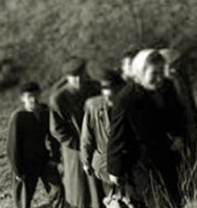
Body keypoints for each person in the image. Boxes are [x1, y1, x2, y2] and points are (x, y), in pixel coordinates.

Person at [107, 50, 187, 208]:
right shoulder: (126, 99)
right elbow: (117, 136)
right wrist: (114, 170)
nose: (159, 78)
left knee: (175, 200)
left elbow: (178, 114)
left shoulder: (166, 88)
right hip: (142, 165)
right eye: (154, 73)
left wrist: (178, 135)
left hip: (167, 156)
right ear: (140, 72)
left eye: (161, 72)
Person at [49, 57, 101, 208]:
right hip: (75, 151)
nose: (78, 80)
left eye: (81, 74)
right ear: (67, 78)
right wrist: (81, 145)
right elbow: (57, 130)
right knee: (81, 190)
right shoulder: (59, 98)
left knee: (102, 186)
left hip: (99, 145)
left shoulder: (95, 88)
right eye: (73, 77)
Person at [6, 82, 65, 208]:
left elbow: (53, 137)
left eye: (36, 96)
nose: (33, 100)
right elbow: (12, 147)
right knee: (23, 200)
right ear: (23, 99)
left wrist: (55, 158)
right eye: (29, 97)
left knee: (58, 190)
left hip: (43, 160)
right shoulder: (18, 117)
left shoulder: (45, 112)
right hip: (25, 165)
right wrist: (18, 171)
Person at [81, 68, 123, 202]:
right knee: (112, 199)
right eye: (105, 90)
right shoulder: (93, 106)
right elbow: (86, 135)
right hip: (103, 163)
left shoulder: (126, 105)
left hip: (125, 161)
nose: (108, 95)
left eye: (111, 90)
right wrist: (86, 161)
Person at [160, 48, 197, 162]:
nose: (175, 68)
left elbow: (188, 96)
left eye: (177, 64)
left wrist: (194, 109)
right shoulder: (161, 85)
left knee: (194, 146)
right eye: (171, 65)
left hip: (190, 118)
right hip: (176, 125)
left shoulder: (181, 77)